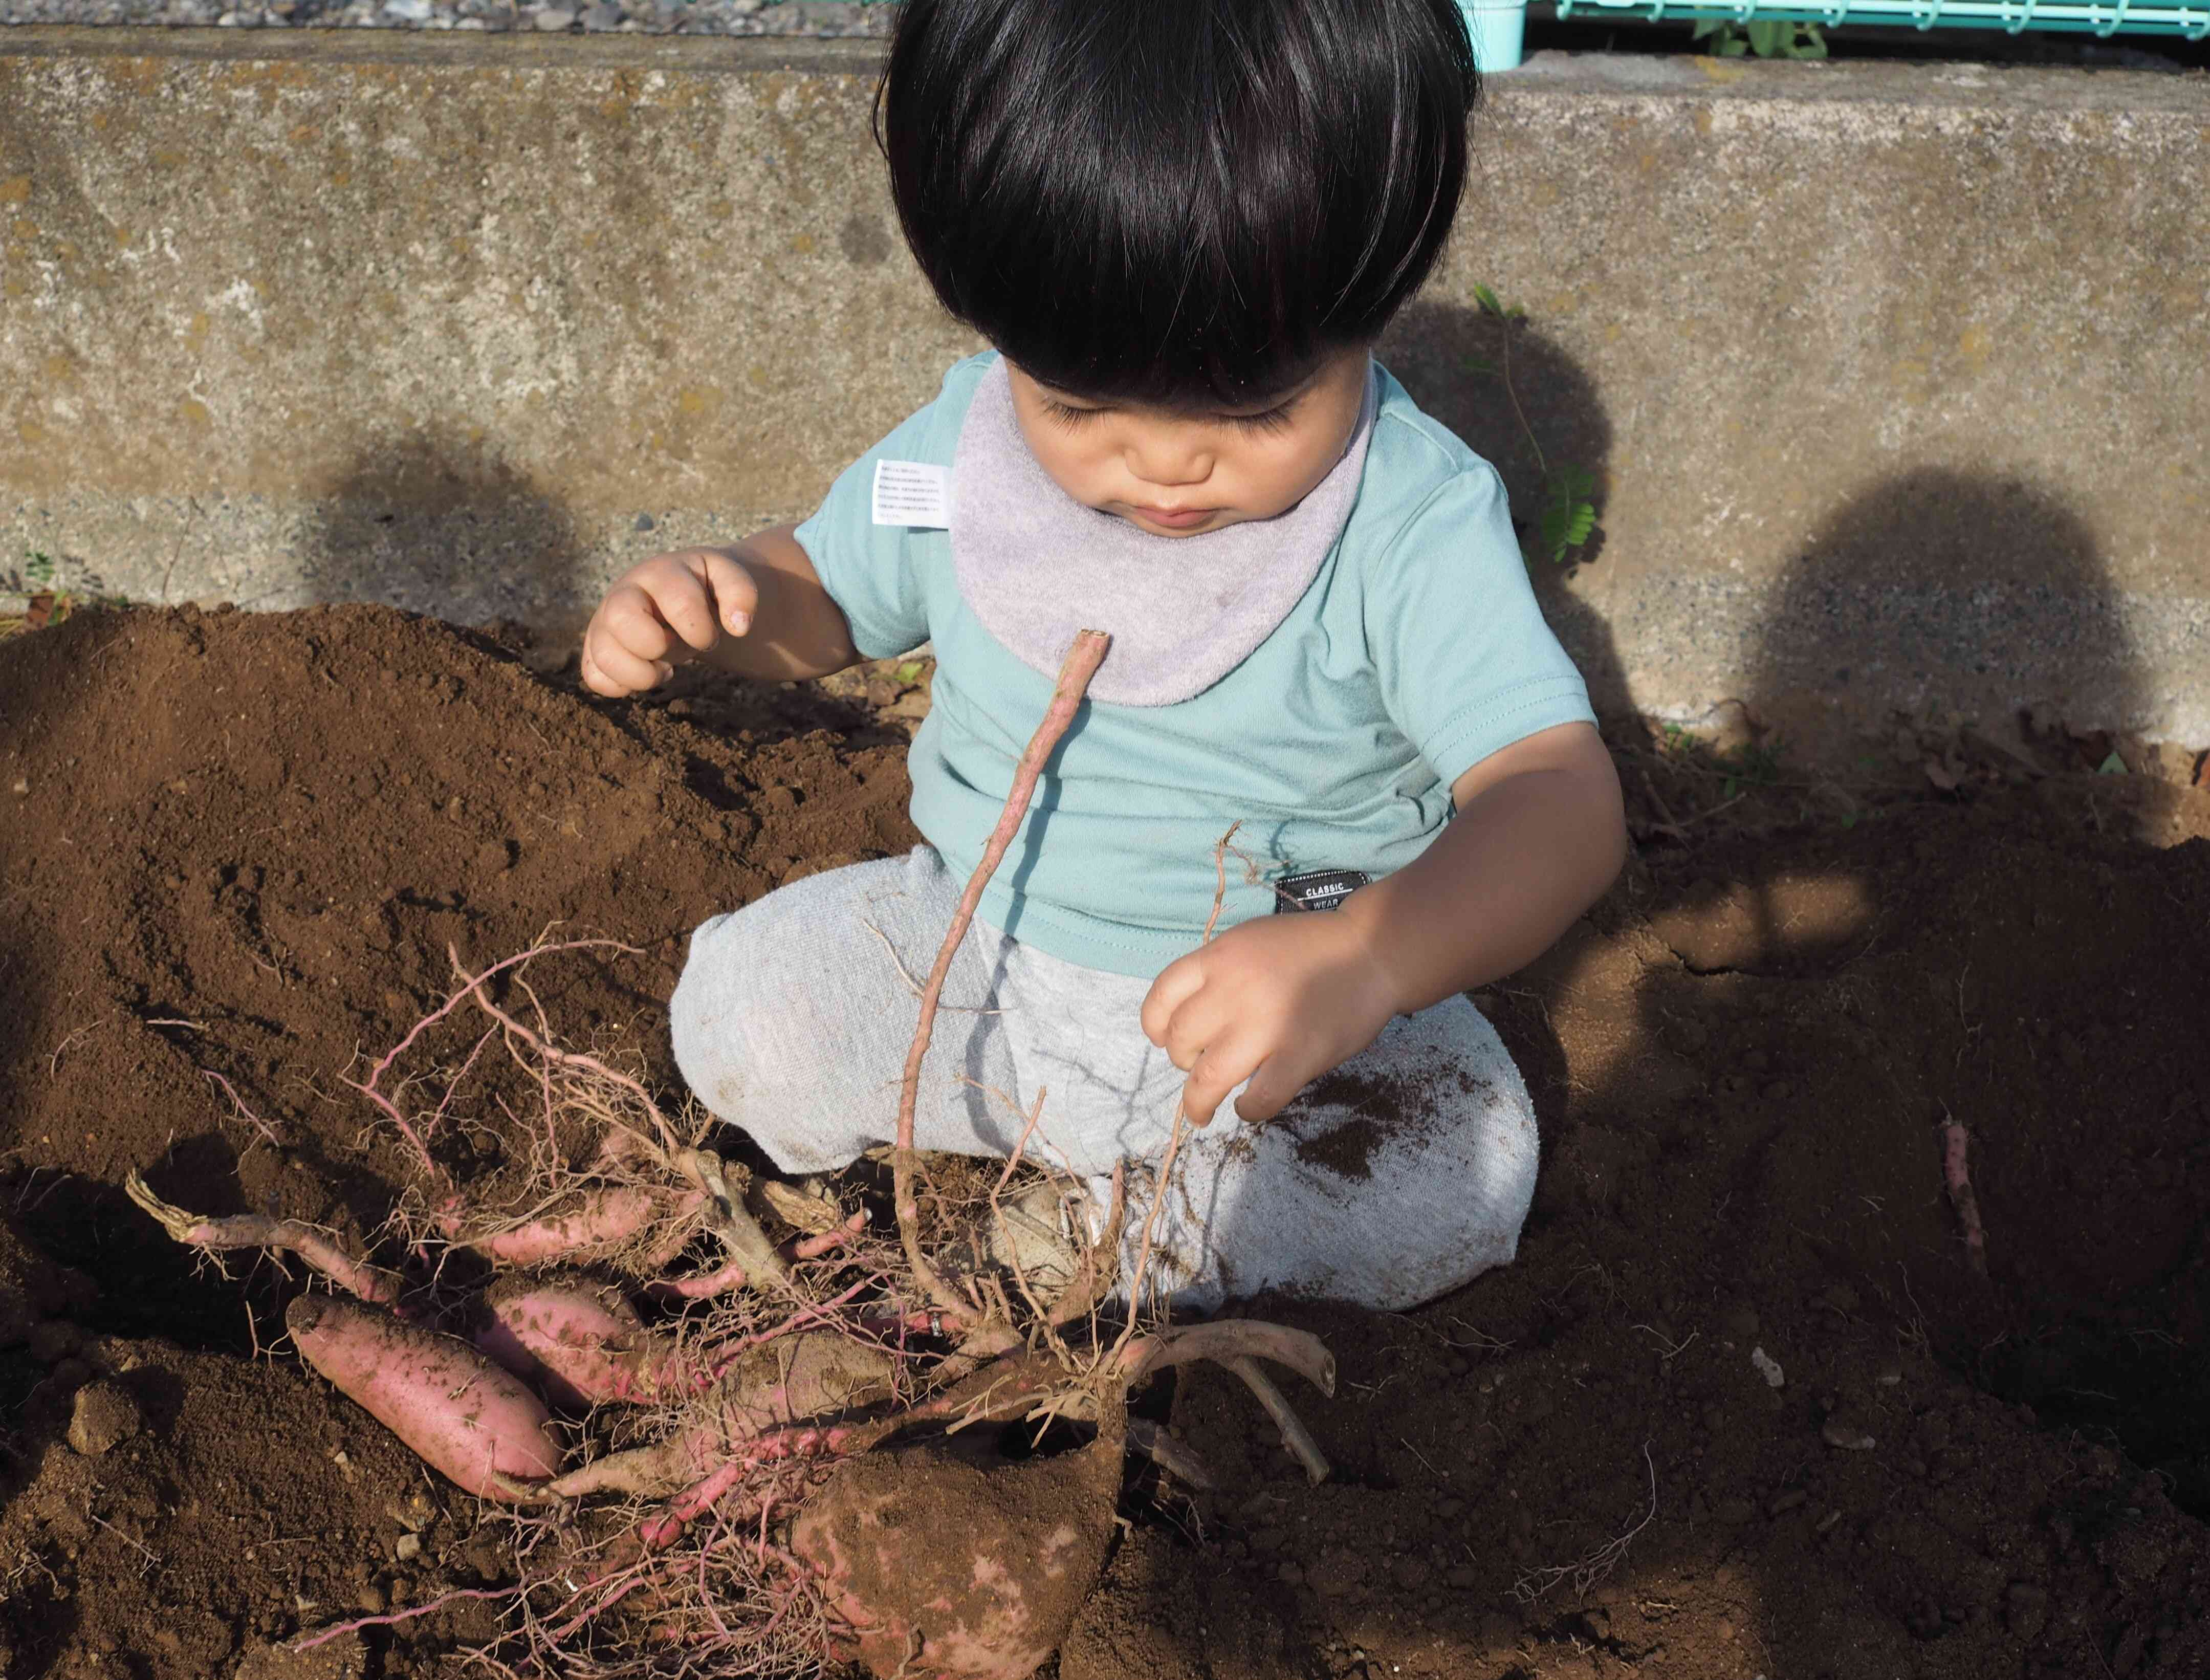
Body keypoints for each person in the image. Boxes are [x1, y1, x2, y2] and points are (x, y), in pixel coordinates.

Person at [579, 0, 1626, 1314]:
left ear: (1379, 294)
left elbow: (1561, 796)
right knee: (740, 1012)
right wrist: (730, 602)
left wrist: (1366, 960)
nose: (1163, 462)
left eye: (1252, 411)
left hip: (1269, 1042)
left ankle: (1064, 1263)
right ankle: (1097, 1221)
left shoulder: (1406, 523)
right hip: (970, 952)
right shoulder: (966, 451)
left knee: (1445, 1179)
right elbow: (830, 593)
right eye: (1076, 404)